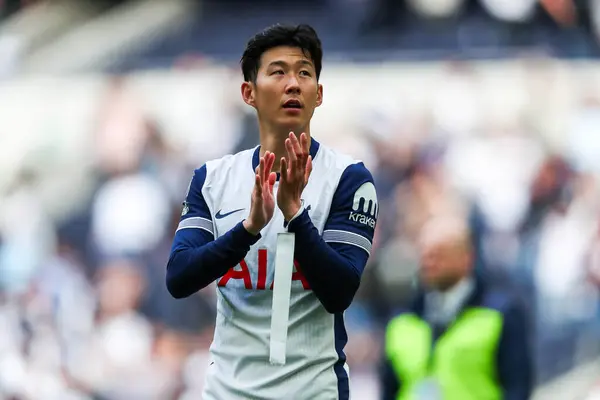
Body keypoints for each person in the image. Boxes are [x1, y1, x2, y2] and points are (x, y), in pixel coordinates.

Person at [165, 24, 378, 400]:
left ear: (319, 94)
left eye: (305, 73)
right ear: (249, 92)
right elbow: (179, 278)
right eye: (278, 72)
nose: (293, 84)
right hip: (228, 392)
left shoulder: (349, 178)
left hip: (315, 391)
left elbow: (340, 290)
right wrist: (248, 229)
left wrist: (295, 216)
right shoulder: (212, 178)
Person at [379, 215, 533, 400]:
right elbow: (389, 388)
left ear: (466, 258)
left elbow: (517, 387)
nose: (429, 262)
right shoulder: (401, 321)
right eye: (425, 254)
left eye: (439, 254)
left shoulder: (500, 314)